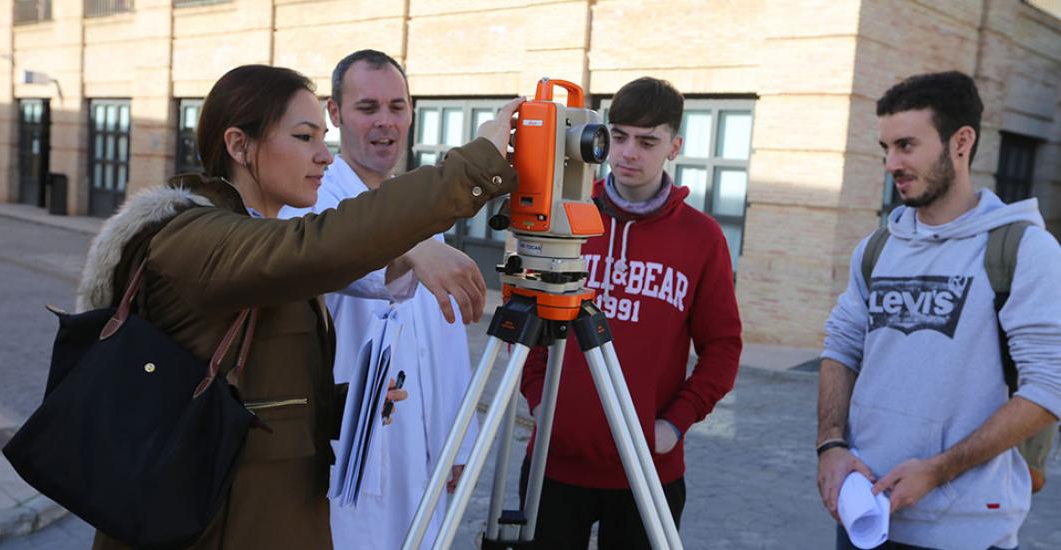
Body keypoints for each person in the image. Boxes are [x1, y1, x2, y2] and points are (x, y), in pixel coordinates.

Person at [77, 64, 521, 550]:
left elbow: (255, 384)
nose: (324, 157)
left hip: (264, 513)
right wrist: (475, 166)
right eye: (305, 137)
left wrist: (343, 406)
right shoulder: (192, 237)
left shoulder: (258, 243)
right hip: (206, 524)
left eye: (323, 139)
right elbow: (322, 244)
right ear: (239, 145)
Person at [816, 71, 1061, 550]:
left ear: (961, 141)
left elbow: (1049, 386)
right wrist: (830, 446)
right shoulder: (878, 247)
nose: (890, 163)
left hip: (966, 529)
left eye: (906, 145)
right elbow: (840, 346)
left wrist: (938, 470)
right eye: (884, 148)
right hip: (863, 514)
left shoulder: (1023, 249)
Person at [518, 77, 743, 548]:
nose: (628, 153)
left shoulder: (702, 238)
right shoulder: (564, 216)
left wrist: (675, 422)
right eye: (618, 136)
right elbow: (526, 314)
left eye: (647, 141)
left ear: (674, 146)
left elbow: (723, 346)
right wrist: (540, 400)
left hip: (648, 469)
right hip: (554, 465)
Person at [279, 49, 483, 549]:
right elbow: (342, 256)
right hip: (343, 452)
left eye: (397, 106)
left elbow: (450, 344)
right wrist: (407, 246)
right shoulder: (309, 207)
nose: (385, 123)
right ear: (334, 114)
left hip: (421, 452)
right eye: (367, 108)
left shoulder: (424, 217)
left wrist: (459, 446)